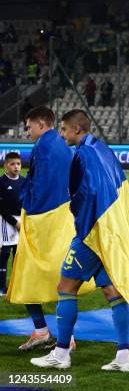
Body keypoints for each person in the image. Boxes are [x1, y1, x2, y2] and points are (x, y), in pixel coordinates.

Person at [31, 109, 129, 371]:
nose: (61, 135)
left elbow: (88, 194)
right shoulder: (102, 149)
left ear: (76, 129)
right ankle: (123, 358)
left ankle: (61, 354)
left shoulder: (83, 155)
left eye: (63, 130)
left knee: (65, 286)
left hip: (93, 232)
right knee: (112, 292)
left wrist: (83, 229)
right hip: (112, 230)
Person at [6, 106, 84, 351]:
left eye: (29, 126)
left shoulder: (43, 146)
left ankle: (45, 332)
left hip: (44, 221)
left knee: (28, 275)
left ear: (41, 124)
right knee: (62, 279)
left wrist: (27, 205)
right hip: (63, 218)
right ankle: (63, 336)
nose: (27, 131)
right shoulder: (63, 146)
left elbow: (39, 187)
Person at [0, 152, 25, 296]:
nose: (16, 167)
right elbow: (1, 207)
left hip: (22, 220)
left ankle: (16, 286)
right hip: (7, 221)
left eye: (18, 164)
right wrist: (15, 222)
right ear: (5, 166)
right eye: (12, 164)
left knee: (19, 254)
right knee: (5, 254)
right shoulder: (1, 182)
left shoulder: (23, 181)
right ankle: (2, 287)